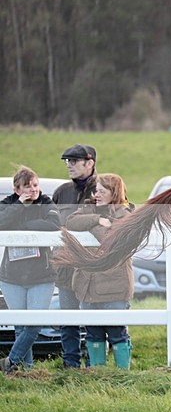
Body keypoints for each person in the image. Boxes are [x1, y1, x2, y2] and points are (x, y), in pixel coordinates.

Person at [65, 173, 135, 369]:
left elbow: (109, 239)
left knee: (116, 332)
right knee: (93, 332)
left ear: (114, 193)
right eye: (96, 190)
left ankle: (122, 374)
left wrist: (94, 226)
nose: (97, 194)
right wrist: (97, 219)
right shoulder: (89, 209)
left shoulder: (125, 214)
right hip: (87, 284)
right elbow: (71, 222)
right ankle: (98, 373)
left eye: (102, 191)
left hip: (114, 284)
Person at [0, 166, 61, 374]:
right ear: (17, 189)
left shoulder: (46, 202)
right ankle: (26, 372)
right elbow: (1, 222)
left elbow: (54, 224)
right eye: (27, 186)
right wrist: (19, 206)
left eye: (35, 185)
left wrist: (23, 229)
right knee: (20, 326)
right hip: (11, 276)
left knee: (34, 323)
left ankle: (10, 362)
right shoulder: (7, 204)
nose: (33, 189)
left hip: (41, 275)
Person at [53, 144, 97, 368]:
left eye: (74, 161)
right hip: (65, 266)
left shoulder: (105, 188)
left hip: (91, 268)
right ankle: (70, 363)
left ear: (89, 163)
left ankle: (93, 363)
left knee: (92, 318)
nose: (69, 165)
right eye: (67, 161)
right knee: (68, 317)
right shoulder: (61, 192)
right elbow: (53, 225)